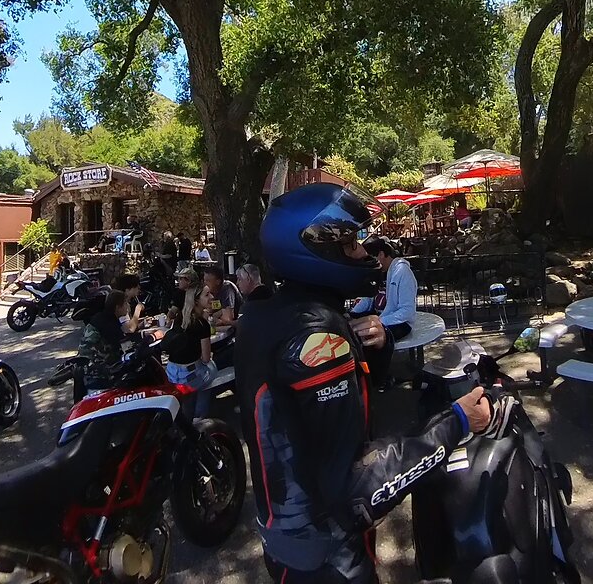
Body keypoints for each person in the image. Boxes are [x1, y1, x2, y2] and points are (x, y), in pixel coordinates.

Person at [236, 183, 492, 582]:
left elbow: (301, 412)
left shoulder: (268, 314)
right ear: (317, 249)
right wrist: (456, 422)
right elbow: (354, 488)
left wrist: (375, 343)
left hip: (287, 544)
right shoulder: (316, 337)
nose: (363, 253)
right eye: (352, 244)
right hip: (326, 557)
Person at [360, 236, 417, 391]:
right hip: (382, 316)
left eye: (371, 258)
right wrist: (352, 313)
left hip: (401, 322)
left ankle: (378, 379)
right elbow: (369, 299)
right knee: (355, 330)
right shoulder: (379, 272)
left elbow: (407, 310)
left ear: (381, 254)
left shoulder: (402, 272)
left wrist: (379, 321)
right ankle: (366, 376)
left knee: (371, 337)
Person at [202, 265, 241, 330]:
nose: (205, 283)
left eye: (208, 281)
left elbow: (228, 318)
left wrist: (213, 316)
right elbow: (206, 313)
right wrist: (220, 312)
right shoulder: (210, 291)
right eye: (204, 280)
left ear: (218, 282)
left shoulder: (227, 289)